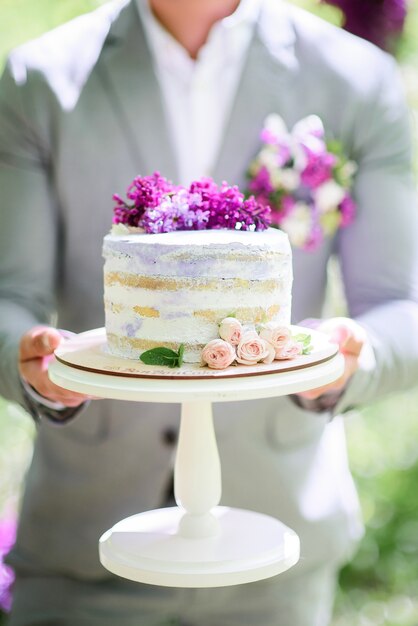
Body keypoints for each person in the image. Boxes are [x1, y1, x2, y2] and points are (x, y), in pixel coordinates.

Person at [0, 0, 417, 624]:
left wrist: (353, 357)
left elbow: (400, 309)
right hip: (85, 555)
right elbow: (9, 297)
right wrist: (28, 360)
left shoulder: (354, 77)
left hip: (277, 558)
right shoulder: (42, 79)